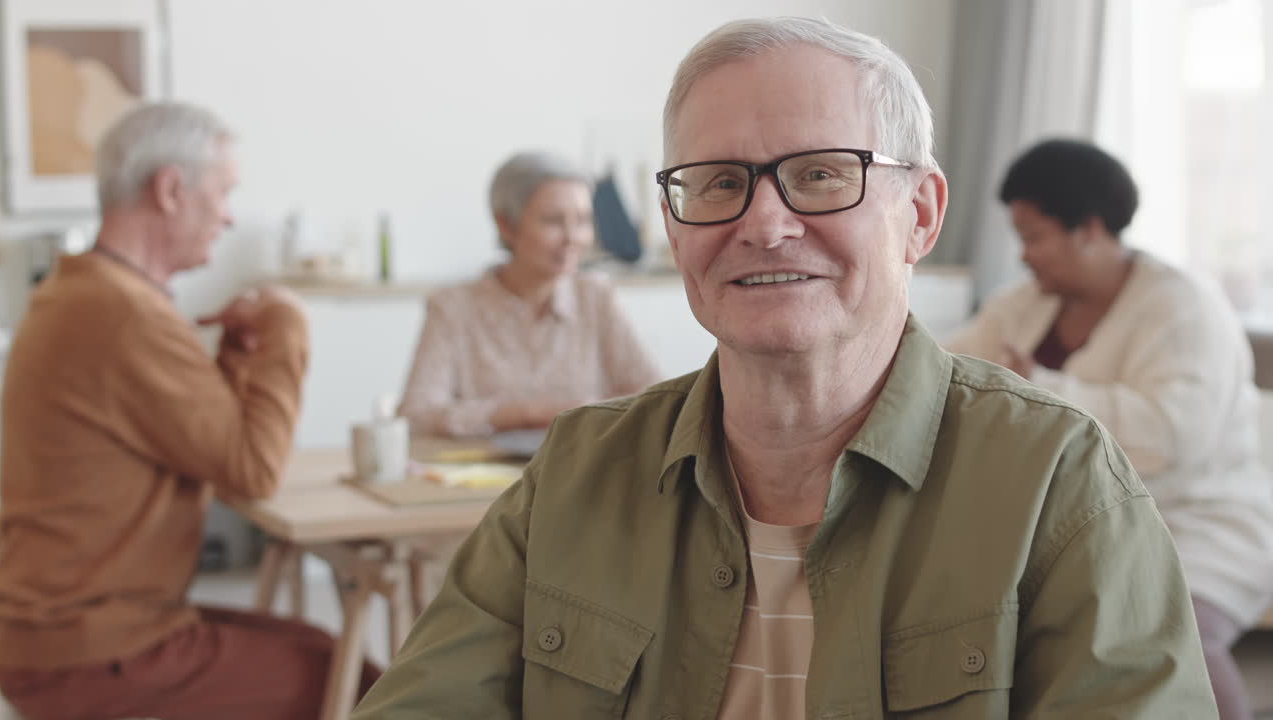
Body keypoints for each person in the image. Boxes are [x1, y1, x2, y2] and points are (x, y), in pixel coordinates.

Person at [354, 18, 1217, 719]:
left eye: (819, 174)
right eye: (719, 182)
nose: (764, 223)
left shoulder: (1058, 489)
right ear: (675, 220)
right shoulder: (577, 471)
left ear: (919, 214)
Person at [0, 102, 379, 720]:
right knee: (361, 685)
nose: (228, 216)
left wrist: (229, 364)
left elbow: (199, 443)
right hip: (92, 650)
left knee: (321, 648)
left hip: (62, 632)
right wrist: (288, 325)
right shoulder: (123, 315)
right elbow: (253, 469)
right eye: (224, 193)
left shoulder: (84, 293)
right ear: (171, 190)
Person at [945, 138, 1273, 720]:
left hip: (1200, 519)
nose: (1025, 256)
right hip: (1073, 521)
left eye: (1035, 238)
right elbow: (947, 372)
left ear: (1090, 228)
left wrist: (1036, 385)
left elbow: (1170, 437)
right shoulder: (1020, 306)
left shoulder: (1184, 308)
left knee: (1175, 626)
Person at [396, 152, 660, 439]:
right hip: (481, 478)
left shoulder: (597, 297)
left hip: (583, 474)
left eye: (583, 220)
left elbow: (655, 400)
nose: (573, 237)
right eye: (553, 221)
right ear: (506, 225)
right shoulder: (452, 308)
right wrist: (531, 413)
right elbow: (416, 417)